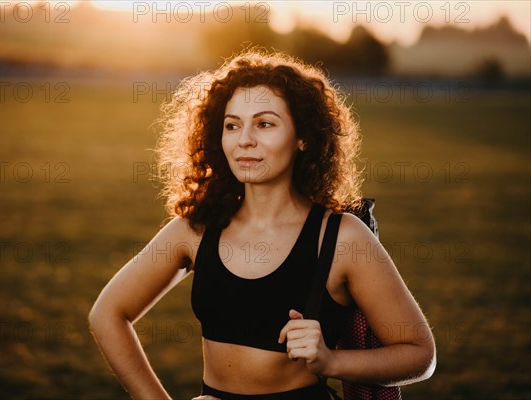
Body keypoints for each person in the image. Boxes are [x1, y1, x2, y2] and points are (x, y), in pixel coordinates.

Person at [88, 50, 436, 400]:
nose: (244, 140)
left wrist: (333, 361)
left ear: (303, 138)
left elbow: (420, 354)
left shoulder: (340, 238)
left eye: (265, 124)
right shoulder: (195, 230)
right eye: (232, 125)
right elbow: (108, 314)